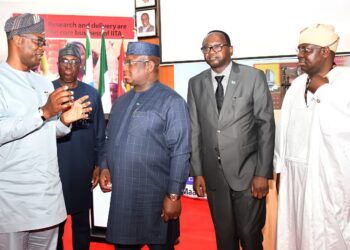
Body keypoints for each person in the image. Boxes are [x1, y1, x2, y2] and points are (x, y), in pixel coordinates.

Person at [0, 13, 91, 250]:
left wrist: (64, 122)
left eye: (44, 42)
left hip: (48, 198)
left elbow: (48, 131)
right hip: (13, 201)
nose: (43, 48)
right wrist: (43, 112)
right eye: (38, 41)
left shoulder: (43, 83)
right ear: (17, 39)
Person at [187, 30, 275, 250]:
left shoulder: (252, 77)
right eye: (206, 48)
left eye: (217, 46)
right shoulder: (195, 83)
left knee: (249, 234)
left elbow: (265, 125)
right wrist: (197, 172)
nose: (211, 52)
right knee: (224, 238)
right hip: (214, 176)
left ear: (230, 49)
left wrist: (262, 173)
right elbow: (194, 129)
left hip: (248, 172)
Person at [99, 41, 191, 250]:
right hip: (124, 198)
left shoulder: (172, 102)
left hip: (156, 200)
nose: (125, 69)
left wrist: (174, 195)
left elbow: (181, 151)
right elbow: (109, 139)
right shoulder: (121, 102)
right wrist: (105, 165)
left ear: (149, 66)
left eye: (130, 63)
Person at [275, 24, 350, 249]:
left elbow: (343, 129)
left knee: (325, 235)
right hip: (294, 177)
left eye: (306, 49)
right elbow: (284, 130)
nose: (299, 55)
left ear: (326, 51)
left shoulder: (344, 82)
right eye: (299, 49)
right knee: (294, 233)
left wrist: (324, 93)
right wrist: (280, 167)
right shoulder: (297, 85)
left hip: (327, 178)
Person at [53, 43, 106, 250]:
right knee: (55, 227)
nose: (68, 66)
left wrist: (98, 164)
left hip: (83, 170)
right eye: (64, 61)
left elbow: (100, 133)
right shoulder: (47, 91)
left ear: (80, 66)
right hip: (53, 171)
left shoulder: (92, 94)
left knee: (82, 226)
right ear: (57, 64)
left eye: (74, 62)